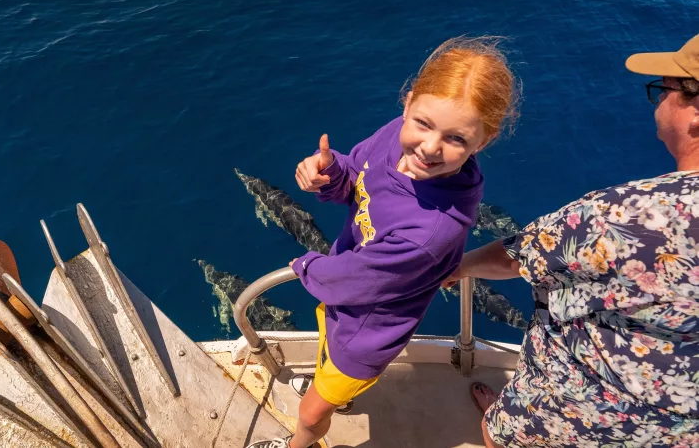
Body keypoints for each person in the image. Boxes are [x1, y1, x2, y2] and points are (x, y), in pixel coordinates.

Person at [246, 36, 520, 448]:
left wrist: (306, 267)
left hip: (366, 332)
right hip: (343, 301)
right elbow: (358, 177)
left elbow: (358, 280)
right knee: (327, 356)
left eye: (456, 139)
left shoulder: (431, 231)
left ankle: (295, 445)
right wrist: (330, 173)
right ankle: (335, 390)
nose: (428, 147)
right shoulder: (395, 136)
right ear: (408, 105)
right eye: (423, 124)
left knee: (310, 413)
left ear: (483, 141)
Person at [444, 34, 699, 448]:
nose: (658, 102)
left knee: (499, 437)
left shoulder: (630, 214)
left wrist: (458, 266)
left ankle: (501, 425)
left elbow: (519, 256)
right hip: (676, 433)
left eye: (664, 89)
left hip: (579, 413)